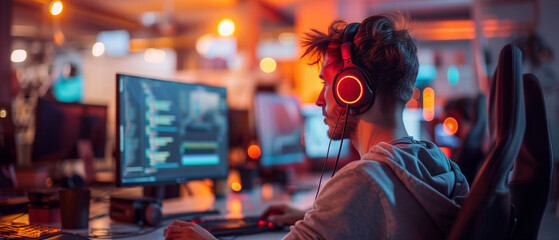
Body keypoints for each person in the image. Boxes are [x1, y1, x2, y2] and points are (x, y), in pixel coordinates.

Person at [163, 14, 469, 240]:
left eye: (326, 83)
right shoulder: (437, 164)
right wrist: (321, 218)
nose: (321, 100)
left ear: (353, 89)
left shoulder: (364, 181)